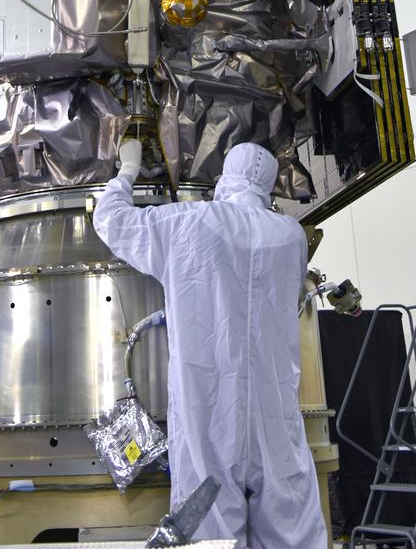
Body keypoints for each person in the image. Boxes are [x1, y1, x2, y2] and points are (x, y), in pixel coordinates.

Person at [93, 140, 326, 549]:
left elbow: (111, 220)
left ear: (225, 177)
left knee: (208, 530)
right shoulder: (291, 236)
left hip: (210, 411)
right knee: (290, 526)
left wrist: (127, 170)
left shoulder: (188, 221)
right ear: (268, 185)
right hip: (275, 414)